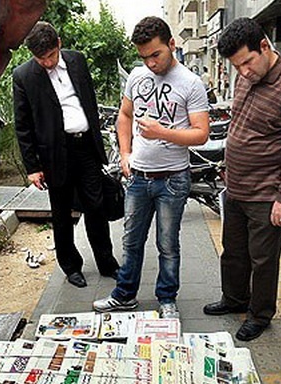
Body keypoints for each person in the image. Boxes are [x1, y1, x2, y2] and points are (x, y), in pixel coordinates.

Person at [201, 17, 281, 341]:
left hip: (267, 194)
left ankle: (260, 314)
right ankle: (234, 299)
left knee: (262, 260)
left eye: (248, 62)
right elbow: (241, 127)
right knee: (233, 250)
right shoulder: (245, 77)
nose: (244, 72)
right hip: (235, 186)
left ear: (264, 46)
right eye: (238, 66)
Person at [93, 16, 209, 319]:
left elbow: (201, 133)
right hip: (138, 178)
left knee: (167, 245)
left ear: (171, 44)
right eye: (143, 57)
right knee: (131, 241)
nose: (150, 63)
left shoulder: (191, 83)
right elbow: (124, 116)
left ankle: (167, 298)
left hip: (173, 180)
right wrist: (125, 153)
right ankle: (124, 295)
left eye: (155, 55)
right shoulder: (137, 76)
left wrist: (162, 133)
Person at [12, 22, 120, 288]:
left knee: (96, 207)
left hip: (85, 148)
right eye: (41, 59)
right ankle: (71, 267)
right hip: (53, 156)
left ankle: (107, 262)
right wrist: (32, 167)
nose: (47, 63)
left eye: (50, 55)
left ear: (58, 43)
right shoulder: (23, 76)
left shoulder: (77, 60)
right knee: (61, 213)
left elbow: (90, 100)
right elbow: (22, 124)